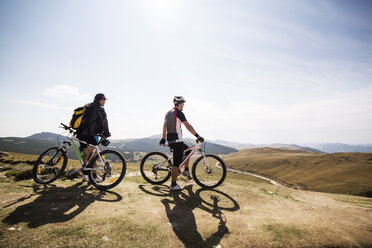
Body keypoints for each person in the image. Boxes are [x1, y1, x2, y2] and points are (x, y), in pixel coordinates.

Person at [159, 96, 204, 191]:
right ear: (178, 103)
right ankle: (173, 185)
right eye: (182, 103)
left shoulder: (168, 113)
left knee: (188, 151)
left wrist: (163, 138)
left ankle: (186, 170)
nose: (183, 105)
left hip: (172, 140)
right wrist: (197, 136)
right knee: (176, 164)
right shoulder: (179, 113)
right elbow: (188, 126)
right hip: (177, 141)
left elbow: (164, 126)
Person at [77, 93, 111, 182]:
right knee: (93, 156)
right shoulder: (99, 108)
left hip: (80, 134)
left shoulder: (87, 106)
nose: (105, 102)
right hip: (90, 134)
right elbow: (104, 121)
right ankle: (94, 176)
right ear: (101, 100)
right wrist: (107, 132)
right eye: (104, 100)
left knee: (84, 153)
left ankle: (85, 176)